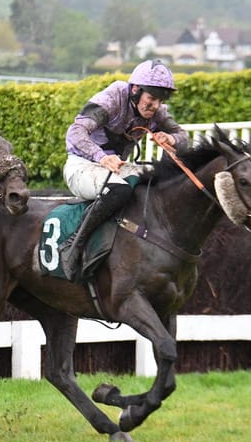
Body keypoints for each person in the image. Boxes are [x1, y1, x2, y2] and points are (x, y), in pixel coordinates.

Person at [58, 59, 190, 281]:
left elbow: (184, 137)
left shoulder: (157, 111)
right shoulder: (113, 98)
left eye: (160, 100)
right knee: (119, 189)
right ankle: (73, 245)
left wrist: (171, 138)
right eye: (151, 98)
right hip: (82, 166)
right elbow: (75, 132)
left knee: (158, 182)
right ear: (135, 90)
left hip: (116, 168)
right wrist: (101, 157)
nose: (155, 106)